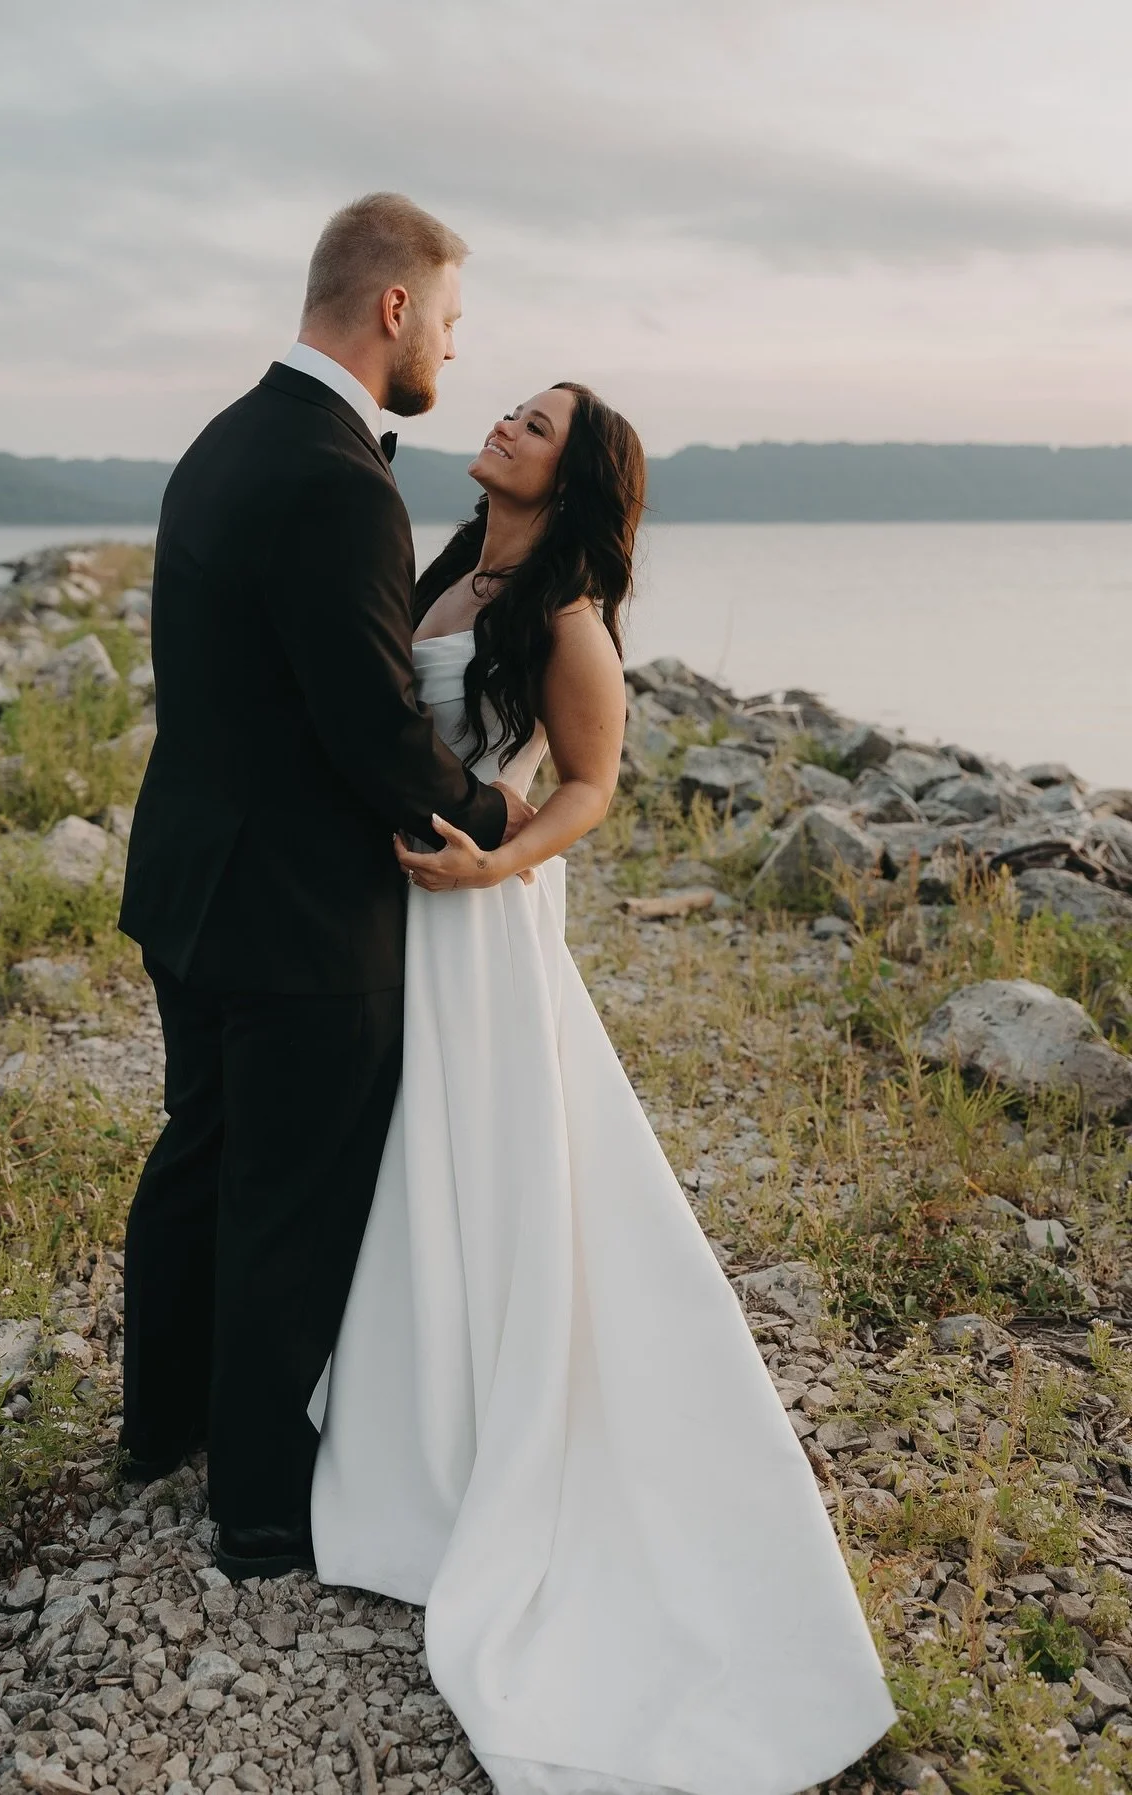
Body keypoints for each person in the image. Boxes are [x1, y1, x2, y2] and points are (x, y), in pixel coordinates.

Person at [310, 383, 895, 1794]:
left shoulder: (564, 617)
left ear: (572, 478)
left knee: (486, 1161)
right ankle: (400, 1408)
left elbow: (589, 785)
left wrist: (491, 865)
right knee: (409, 1160)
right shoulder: (453, 568)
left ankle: (480, 1449)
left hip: (481, 922)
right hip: (407, 915)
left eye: (536, 424)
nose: (506, 422)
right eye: (514, 407)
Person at [116, 194, 532, 1581]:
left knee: (201, 1156)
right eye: (453, 323)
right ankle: (258, 1511)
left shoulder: (224, 442)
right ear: (395, 308)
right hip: (299, 912)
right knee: (289, 1200)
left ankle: (159, 1423)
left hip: (191, 882)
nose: (455, 358)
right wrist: (494, 815)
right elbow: (367, 725)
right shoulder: (339, 476)